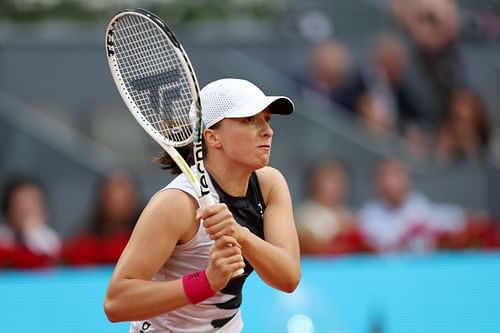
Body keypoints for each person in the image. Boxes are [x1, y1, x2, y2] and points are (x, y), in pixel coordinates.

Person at [104, 78, 301, 332]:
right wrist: (207, 282)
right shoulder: (176, 204)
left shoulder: (269, 184)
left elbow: (288, 277)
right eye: (249, 120)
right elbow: (116, 302)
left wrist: (241, 235)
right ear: (212, 137)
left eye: (267, 119)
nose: (267, 131)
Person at [358, 159, 466, 253]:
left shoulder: (417, 202)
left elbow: (449, 218)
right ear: (377, 182)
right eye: (387, 176)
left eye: (398, 174)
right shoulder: (369, 214)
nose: (393, 182)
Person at [62, 169, 142, 266]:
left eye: (124, 194)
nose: (117, 200)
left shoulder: (146, 241)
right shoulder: (82, 245)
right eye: (111, 194)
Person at [295, 158, 362, 255]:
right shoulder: (305, 214)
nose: (336, 186)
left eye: (340, 181)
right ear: (315, 183)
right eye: (330, 180)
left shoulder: (347, 214)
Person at [0, 174, 61, 268]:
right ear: (9, 210)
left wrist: (32, 234)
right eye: (21, 202)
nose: (27, 207)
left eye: (33, 202)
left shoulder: (52, 241)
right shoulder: (3, 239)